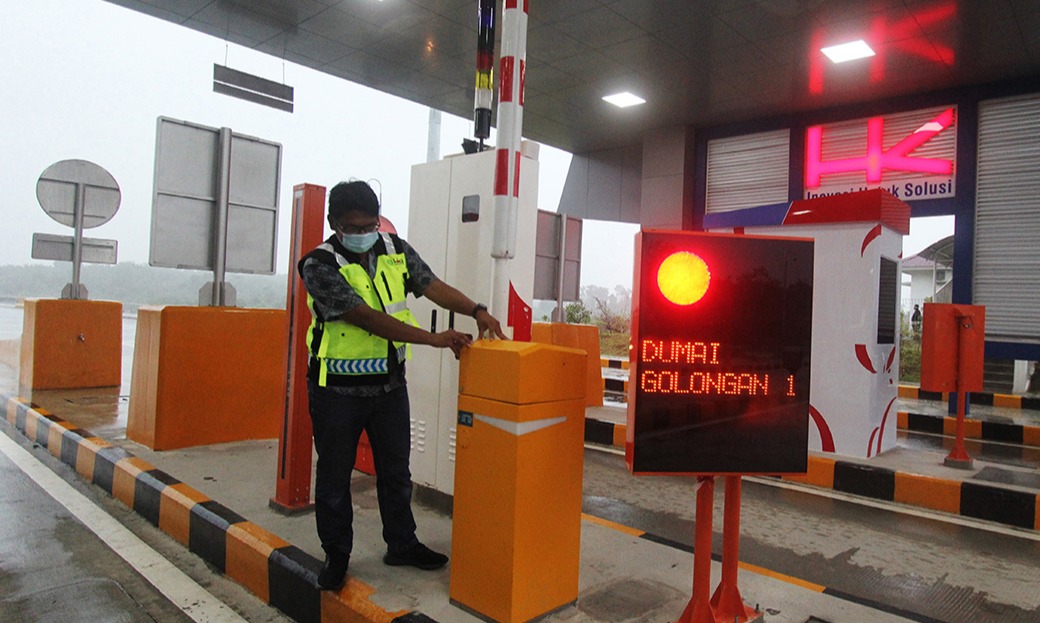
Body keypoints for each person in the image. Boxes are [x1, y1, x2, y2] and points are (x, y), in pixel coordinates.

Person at [299, 180, 506, 591]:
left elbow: (431, 285)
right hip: (336, 391)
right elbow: (365, 317)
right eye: (353, 227)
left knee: (396, 472)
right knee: (335, 477)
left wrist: (475, 309)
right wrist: (434, 339)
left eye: (370, 224)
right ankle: (337, 554)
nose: (362, 234)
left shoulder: (395, 250)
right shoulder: (318, 265)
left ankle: (402, 544)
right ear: (334, 224)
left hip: (389, 387)